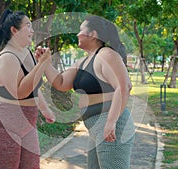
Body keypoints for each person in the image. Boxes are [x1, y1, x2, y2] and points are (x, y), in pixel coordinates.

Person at [36, 15, 135, 169]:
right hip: (95, 125)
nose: (77, 34)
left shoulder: (107, 55)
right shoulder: (83, 61)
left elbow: (124, 87)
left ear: (93, 34)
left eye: (81, 30)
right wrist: (45, 62)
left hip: (110, 121)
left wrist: (111, 121)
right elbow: (61, 83)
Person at [0, 9, 55, 169]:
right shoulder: (7, 57)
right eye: (28, 26)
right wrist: (42, 64)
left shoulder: (26, 53)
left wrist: (45, 109)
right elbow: (20, 92)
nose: (32, 30)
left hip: (27, 122)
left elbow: (32, 85)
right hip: (1, 123)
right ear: (14, 30)